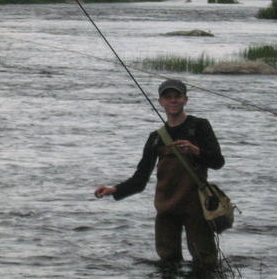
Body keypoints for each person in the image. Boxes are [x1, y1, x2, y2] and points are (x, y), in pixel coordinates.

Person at [94, 79, 225, 266]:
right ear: (160, 102)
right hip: (165, 208)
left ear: (185, 99)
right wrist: (114, 190)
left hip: (196, 206)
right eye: (168, 97)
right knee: (167, 262)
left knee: (206, 262)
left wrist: (195, 150)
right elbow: (140, 179)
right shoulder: (155, 138)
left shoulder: (200, 126)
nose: (173, 100)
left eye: (177, 96)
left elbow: (218, 162)